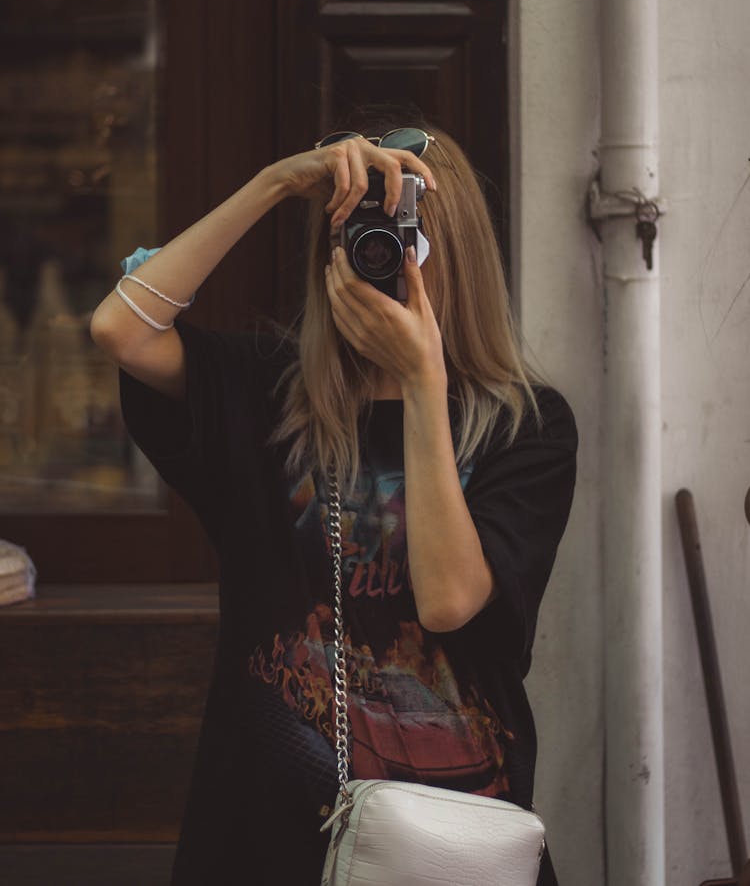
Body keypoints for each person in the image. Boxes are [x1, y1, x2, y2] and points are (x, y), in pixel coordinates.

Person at [89, 107, 578, 886]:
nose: (383, 260)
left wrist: (423, 381)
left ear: (454, 252)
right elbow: (121, 327)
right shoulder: (270, 395)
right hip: (267, 838)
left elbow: (451, 601)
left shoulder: (527, 425)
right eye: (362, 236)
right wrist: (278, 183)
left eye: (405, 237)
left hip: (451, 843)